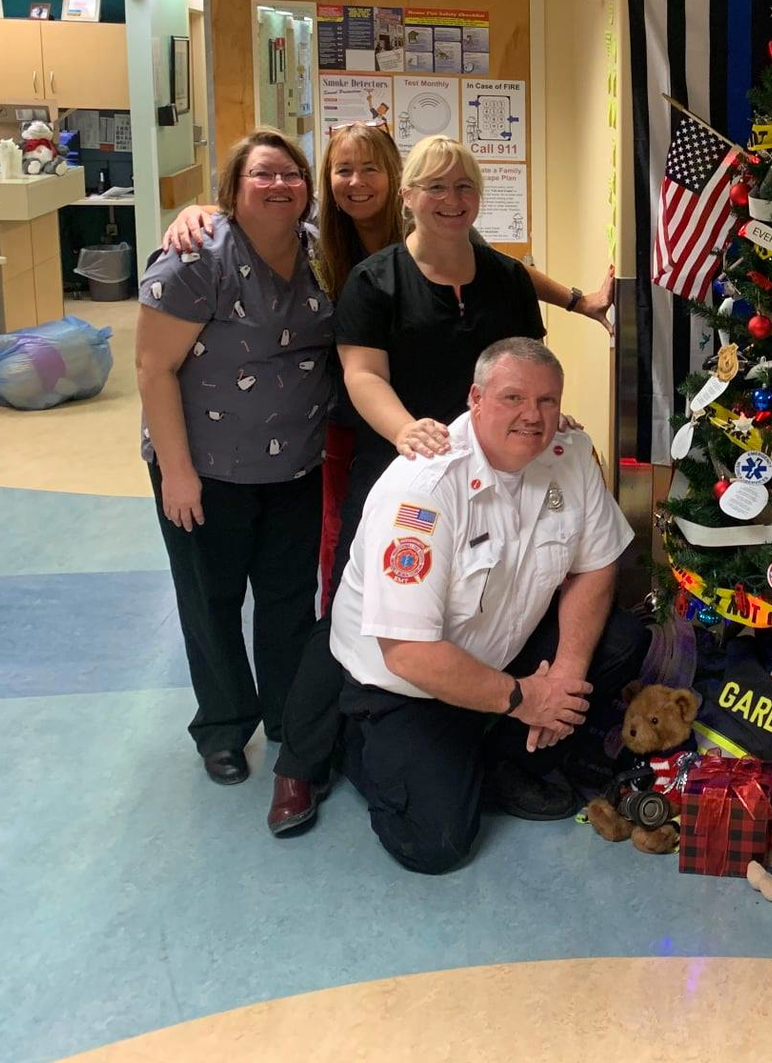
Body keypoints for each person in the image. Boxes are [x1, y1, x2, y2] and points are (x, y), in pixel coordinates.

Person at [160, 125, 612, 836]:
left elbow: (525, 364)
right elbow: (362, 374)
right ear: (410, 198)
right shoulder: (376, 281)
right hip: (405, 465)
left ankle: (477, 730)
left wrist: (545, 415)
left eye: (464, 186)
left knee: (492, 595)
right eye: (436, 186)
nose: (452, 200)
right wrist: (405, 429)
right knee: (353, 611)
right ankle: (300, 765)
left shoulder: (500, 276)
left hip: (495, 466)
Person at [329, 336, 646, 874]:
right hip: (406, 685)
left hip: (500, 655)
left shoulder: (569, 455)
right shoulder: (423, 489)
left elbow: (597, 562)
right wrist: (525, 699)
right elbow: (407, 652)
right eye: (513, 398)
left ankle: (499, 759)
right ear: (475, 399)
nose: (534, 416)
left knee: (623, 640)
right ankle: (361, 744)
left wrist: (564, 673)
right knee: (438, 844)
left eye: (548, 400)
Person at [135, 130, 333, 786]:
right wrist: (178, 473)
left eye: (292, 174)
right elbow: (153, 367)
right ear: (233, 189)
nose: (279, 185)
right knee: (211, 598)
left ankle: (286, 716)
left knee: (286, 599)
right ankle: (223, 727)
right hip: (206, 468)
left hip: (296, 467)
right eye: (263, 174)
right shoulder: (197, 258)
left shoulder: (321, 257)